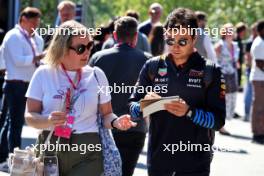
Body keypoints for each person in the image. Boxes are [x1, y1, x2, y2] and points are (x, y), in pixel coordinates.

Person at [25, 20, 136, 176]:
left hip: (88, 152)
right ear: (62, 48)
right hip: (50, 149)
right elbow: (30, 116)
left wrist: (116, 122)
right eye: (80, 48)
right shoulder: (43, 74)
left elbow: (107, 115)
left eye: (90, 46)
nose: (87, 52)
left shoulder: (97, 75)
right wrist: (48, 120)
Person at [129, 8, 226, 176]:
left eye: (182, 41)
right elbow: (132, 110)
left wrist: (189, 112)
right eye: (170, 40)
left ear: (194, 38)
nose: (175, 46)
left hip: (195, 164)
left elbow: (218, 122)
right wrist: (146, 105)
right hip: (158, 161)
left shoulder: (211, 71)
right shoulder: (152, 66)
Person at [89, 16, 148, 176]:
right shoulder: (148, 60)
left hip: (102, 127)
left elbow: (86, 92)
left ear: (114, 35)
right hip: (135, 127)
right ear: (136, 36)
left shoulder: (98, 58)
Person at [0, 7, 44, 170]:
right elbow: (18, 61)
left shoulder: (33, 38)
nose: (35, 27)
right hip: (15, 84)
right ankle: (13, 159)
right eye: (33, 23)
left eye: (37, 23)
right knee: (14, 123)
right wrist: (39, 57)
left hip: (26, 84)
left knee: (11, 122)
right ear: (23, 20)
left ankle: (6, 156)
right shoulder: (13, 36)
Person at [215, 23, 239, 135]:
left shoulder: (235, 45)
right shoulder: (220, 45)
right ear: (223, 32)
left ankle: (223, 121)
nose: (230, 33)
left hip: (232, 74)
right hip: (222, 74)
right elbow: (214, 60)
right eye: (227, 30)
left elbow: (235, 60)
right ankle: (220, 125)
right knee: (222, 99)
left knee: (232, 98)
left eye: (231, 30)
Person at [249, 20, 264, 144]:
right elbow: (260, 64)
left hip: (261, 78)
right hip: (259, 79)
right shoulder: (259, 43)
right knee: (259, 107)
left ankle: (261, 131)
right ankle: (257, 134)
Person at [244, 23, 257, 122]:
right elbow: (248, 59)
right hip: (252, 70)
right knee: (249, 92)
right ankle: (247, 114)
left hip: (252, 69)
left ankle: (249, 114)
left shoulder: (250, 42)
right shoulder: (250, 42)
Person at [234, 22, 247, 92]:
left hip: (239, 63)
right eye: (244, 31)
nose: (245, 33)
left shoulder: (239, 40)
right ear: (241, 31)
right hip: (236, 64)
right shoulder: (236, 40)